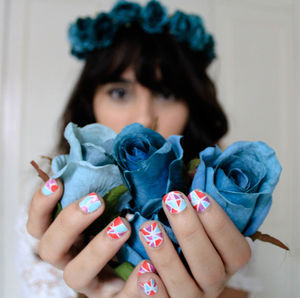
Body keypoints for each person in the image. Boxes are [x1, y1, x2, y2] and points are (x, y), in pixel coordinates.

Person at [18, 0, 262, 297]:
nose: (145, 117)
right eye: (120, 92)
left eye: (166, 92)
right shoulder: (42, 221)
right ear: (89, 102)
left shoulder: (226, 205)